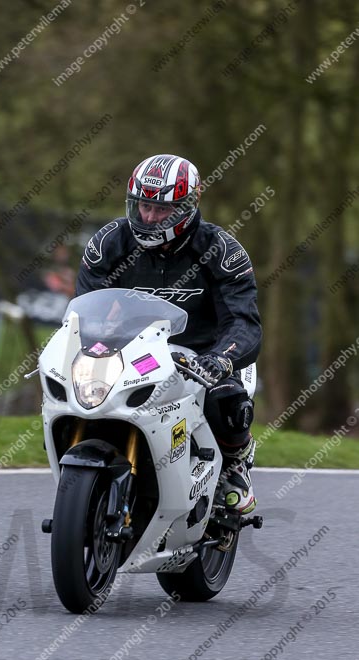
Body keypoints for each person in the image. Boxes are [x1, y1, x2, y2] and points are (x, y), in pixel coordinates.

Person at [75, 153, 262, 513]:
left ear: (189, 205)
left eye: (162, 210)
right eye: (143, 206)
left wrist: (222, 358)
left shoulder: (222, 252)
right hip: (129, 352)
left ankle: (235, 464)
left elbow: (244, 321)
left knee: (226, 397)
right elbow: (84, 310)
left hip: (200, 354)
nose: (149, 218)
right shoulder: (108, 243)